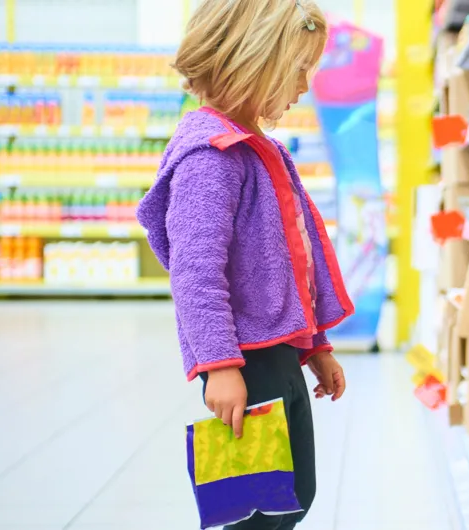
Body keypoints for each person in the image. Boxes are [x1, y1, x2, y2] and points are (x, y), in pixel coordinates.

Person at [136, 1, 354, 528]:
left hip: (276, 351)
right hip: (244, 360)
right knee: (255, 509)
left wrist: (316, 343)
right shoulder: (211, 158)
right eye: (298, 69)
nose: (303, 86)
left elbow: (288, 262)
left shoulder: (256, 149)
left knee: (296, 492)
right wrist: (220, 365)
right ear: (254, 60)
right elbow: (195, 272)